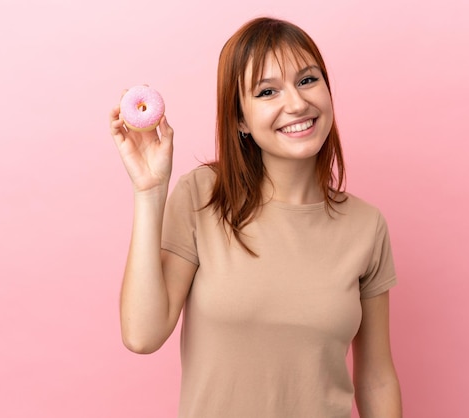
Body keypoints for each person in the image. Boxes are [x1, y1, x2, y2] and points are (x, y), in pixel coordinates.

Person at [109, 16, 402, 418]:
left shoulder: (366, 226)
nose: (297, 104)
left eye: (307, 80)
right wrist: (149, 191)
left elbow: (376, 377)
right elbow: (142, 335)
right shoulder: (203, 196)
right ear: (240, 119)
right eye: (267, 91)